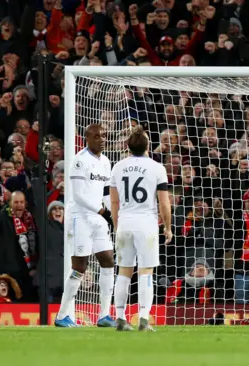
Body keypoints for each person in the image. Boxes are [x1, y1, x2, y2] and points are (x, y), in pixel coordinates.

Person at [109, 126, 172, 332]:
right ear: (148, 146)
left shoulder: (117, 167)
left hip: (125, 222)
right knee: (146, 271)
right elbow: (164, 203)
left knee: (124, 271)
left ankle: (119, 318)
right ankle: (144, 319)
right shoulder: (157, 168)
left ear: (128, 146)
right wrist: (168, 227)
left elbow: (114, 201)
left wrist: (117, 225)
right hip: (146, 223)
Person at [54, 124, 116, 328]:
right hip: (80, 217)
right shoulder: (80, 161)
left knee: (108, 261)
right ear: (86, 138)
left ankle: (104, 315)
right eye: (97, 136)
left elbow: (106, 192)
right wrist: (103, 212)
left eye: (104, 136)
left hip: (98, 218)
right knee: (80, 266)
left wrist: (111, 215)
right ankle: (62, 315)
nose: (102, 139)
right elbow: (78, 195)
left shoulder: (106, 162)